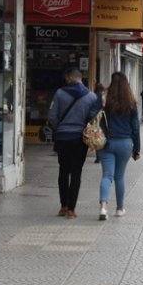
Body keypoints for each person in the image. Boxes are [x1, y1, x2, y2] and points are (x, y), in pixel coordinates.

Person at [89, 72, 140, 220]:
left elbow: (92, 115)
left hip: (107, 142)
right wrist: (137, 149)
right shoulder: (131, 102)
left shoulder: (103, 98)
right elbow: (135, 128)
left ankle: (103, 207)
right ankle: (119, 208)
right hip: (125, 143)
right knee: (119, 177)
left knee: (107, 175)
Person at [48, 67, 97, 219]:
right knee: (76, 172)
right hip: (79, 140)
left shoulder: (60, 93)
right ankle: (71, 209)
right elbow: (92, 120)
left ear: (69, 78)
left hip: (62, 138)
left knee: (63, 171)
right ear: (80, 78)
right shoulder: (91, 97)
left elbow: (52, 116)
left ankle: (63, 206)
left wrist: (60, 128)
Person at [93, 83, 106, 164]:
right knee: (102, 136)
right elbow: (104, 105)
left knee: (96, 136)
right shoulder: (103, 96)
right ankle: (102, 155)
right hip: (102, 117)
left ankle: (98, 157)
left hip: (94, 117)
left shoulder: (93, 96)